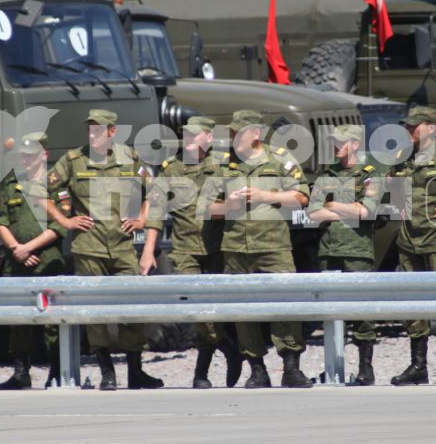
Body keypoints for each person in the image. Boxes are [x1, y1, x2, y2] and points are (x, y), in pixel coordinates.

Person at [46, 109, 160, 389]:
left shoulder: (129, 158)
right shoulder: (73, 160)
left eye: (99, 129)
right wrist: (64, 220)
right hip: (89, 247)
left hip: (122, 246)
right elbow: (39, 191)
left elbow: (155, 192)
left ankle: (136, 371)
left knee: (132, 308)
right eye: (90, 129)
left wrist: (143, 220)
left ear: (112, 132)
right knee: (95, 312)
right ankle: (106, 373)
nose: (93, 134)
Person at [217, 110, 311, 387]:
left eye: (238, 133)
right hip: (236, 247)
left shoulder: (280, 159)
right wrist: (228, 206)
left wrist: (265, 196)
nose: (233, 138)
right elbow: (208, 206)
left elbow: (302, 197)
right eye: (231, 133)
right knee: (243, 310)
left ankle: (291, 368)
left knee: (285, 305)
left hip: (273, 246)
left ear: (255, 133)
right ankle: (257, 370)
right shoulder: (224, 164)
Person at [151, 115, 235, 388]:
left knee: (217, 310)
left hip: (218, 247)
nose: (188, 139)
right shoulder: (171, 169)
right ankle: (227, 348)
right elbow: (155, 211)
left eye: (194, 134)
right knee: (196, 310)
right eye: (185, 134)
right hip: (186, 249)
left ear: (209, 138)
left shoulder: (223, 167)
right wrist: (147, 250)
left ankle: (202, 373)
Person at [388, 105, 436, 385]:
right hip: (409, 238)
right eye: (407, 126)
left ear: (431, 127)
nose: (409, 130)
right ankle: (418, 365)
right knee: (412, 302)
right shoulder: (401, 156)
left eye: (414, 126)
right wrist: (396, 202)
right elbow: (392, 181)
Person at [308, 123, 385, 385]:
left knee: (361, 313)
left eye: (341, 142)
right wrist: (346, 209)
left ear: (354, 144)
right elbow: (313, 213)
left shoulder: (370, 175)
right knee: (331, 312)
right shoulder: (325, 175)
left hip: (357, 251)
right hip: (329, 251)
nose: (335, 146)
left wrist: (332, 205)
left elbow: (367, 212)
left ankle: (366, 369)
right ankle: (334, 366)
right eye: (333, 142)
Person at [0, 132, 66, 389]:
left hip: (47, 260)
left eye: (31, 156)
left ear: (43, 155)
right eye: (22, 156)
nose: (26, 160)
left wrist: (29, 247)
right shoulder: (12, 183)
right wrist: (16, 249)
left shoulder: (55, 185)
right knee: (19, 319)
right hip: (17, 261)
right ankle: (21, 372)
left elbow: (60, 225)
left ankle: (56, 370)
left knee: (51, 321)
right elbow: (1, 222)